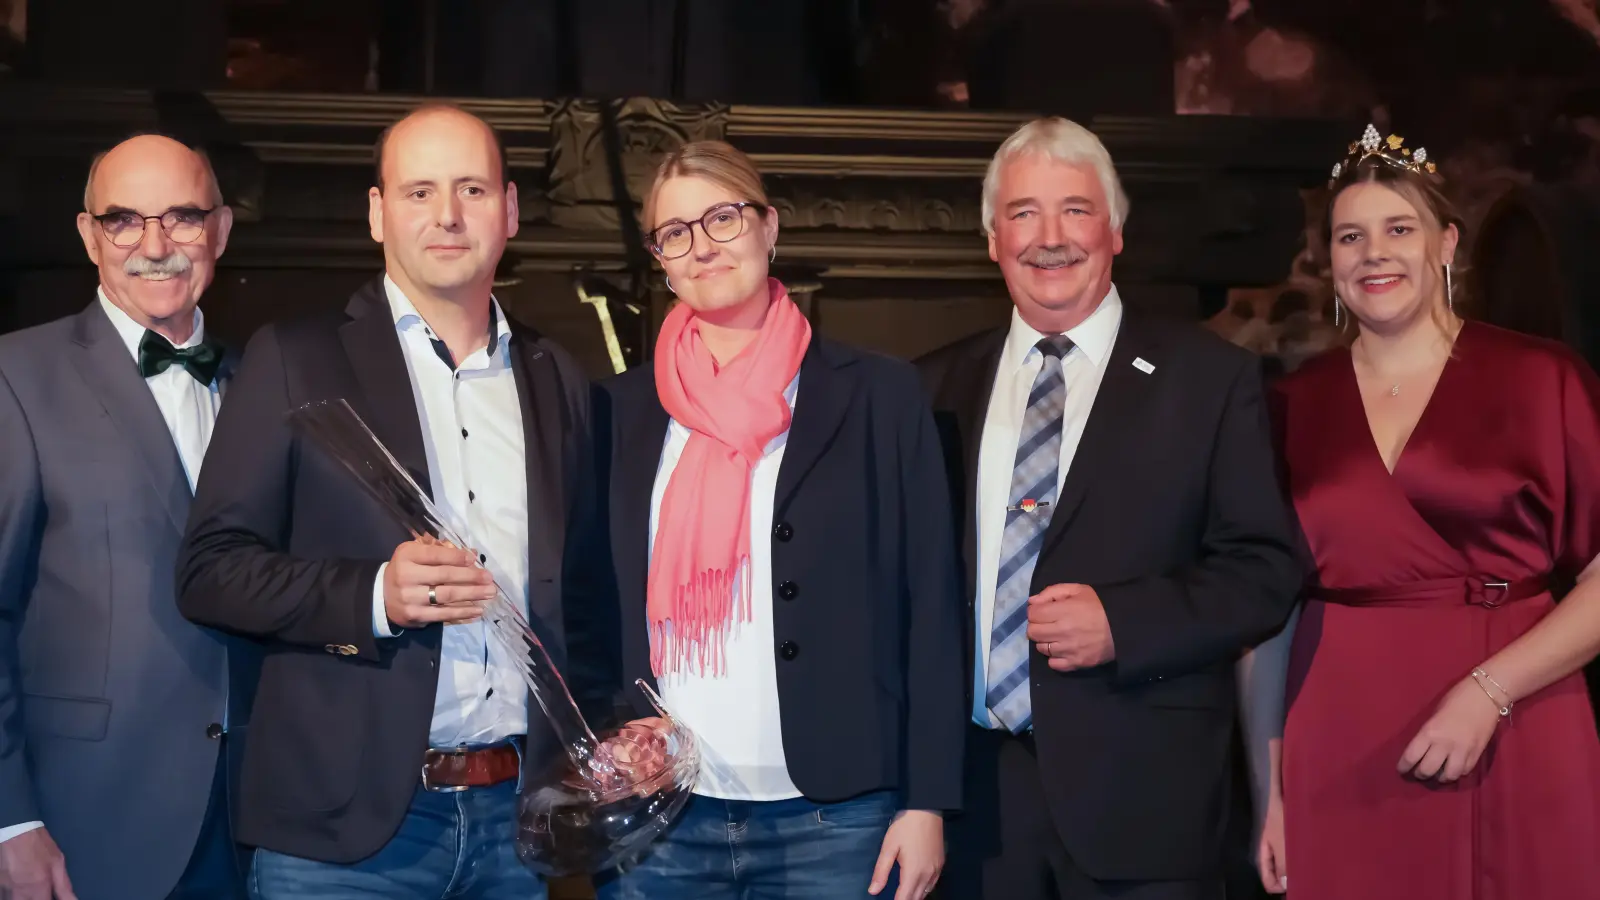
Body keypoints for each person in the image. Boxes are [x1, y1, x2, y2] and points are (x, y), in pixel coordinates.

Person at [174, 104, 614, 898]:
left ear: (509, 211)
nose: (446, 215)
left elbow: (582, 602)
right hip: (343, 835)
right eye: (418, 193)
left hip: (514, 830)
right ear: (378, 214)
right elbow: (211, 569)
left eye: (471, 189)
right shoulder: (294, 357)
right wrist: (375, 593)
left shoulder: (558, 380)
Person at [916, 116, 1302, 900]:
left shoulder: (1210, 379)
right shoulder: (929, 390)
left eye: (1076, 210)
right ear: (993, 238)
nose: (1049, 237)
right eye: (1023, 212)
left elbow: (1266, 570)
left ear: (1116, 230)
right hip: (974, 816)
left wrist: (1125, 624)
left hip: (1147, 805)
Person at [590, 140, 965, 900]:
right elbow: (588, 601)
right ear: (659, 259)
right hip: (661, 819)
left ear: (769, 227)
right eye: (676, 233)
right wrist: (607, 728)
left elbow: (930, 600)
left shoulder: (879, 396)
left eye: (722, 218)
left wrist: (927, 799)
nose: (702, 246)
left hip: (837, 814)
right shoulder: (618, 411)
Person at [1239, 124, 1600, 900]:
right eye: (1350, 236)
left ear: (1445, 243)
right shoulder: (1286, 407)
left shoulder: (1543, 379)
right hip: (1338, 730)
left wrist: (1489, 691)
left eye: (1399, 228)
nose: (1374, 253)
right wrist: (1268, 789)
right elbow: (1265, 615)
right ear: (1328, 261)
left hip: (1520, 716)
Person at [0, 134, 254, 900]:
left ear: (221, 230)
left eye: (182, 217)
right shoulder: (16, 377)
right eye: (124, 221)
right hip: (85, 823)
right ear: (88, 235)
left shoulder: (266, 384)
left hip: (256, 824)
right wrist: (9, 821)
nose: (156, 245)